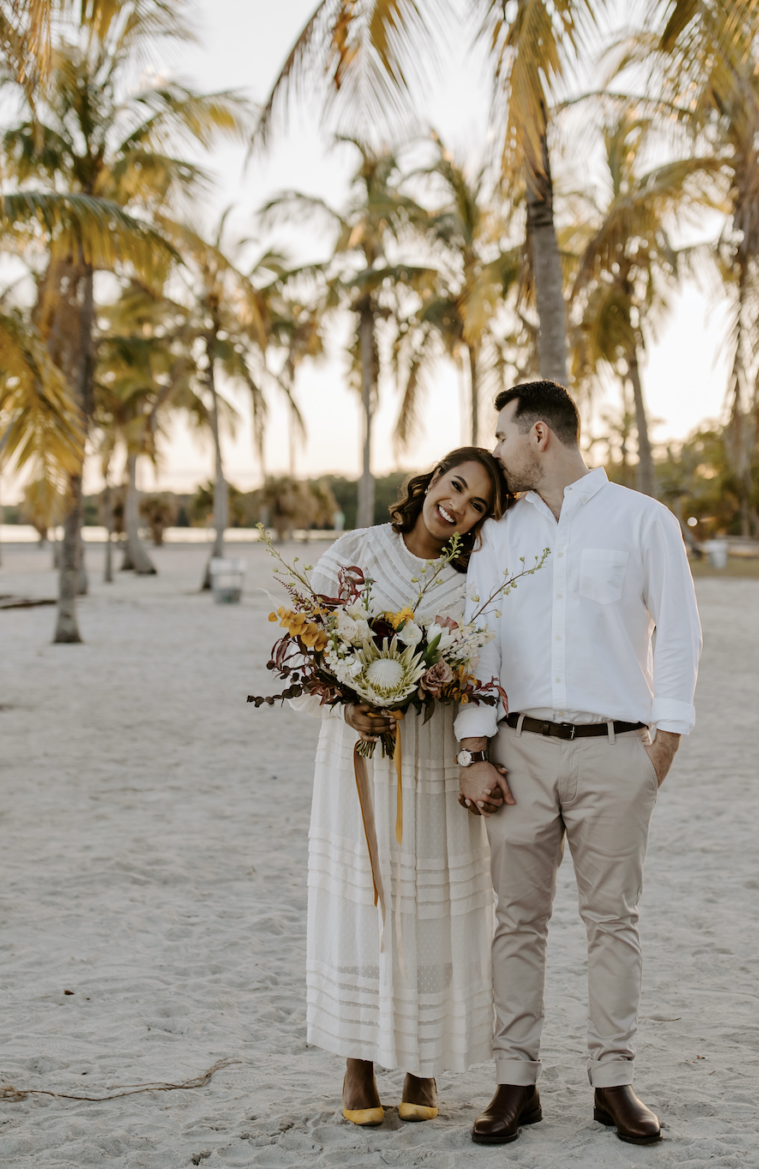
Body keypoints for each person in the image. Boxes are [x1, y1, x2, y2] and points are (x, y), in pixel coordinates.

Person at [455, 380, 702, 1146]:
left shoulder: (643, 521)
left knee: (613, 922)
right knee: (517, 922)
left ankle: (613, 1081)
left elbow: (681, 631)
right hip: (518, 750)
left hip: (615, 750)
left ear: (538, 436)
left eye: (500, 437)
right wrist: (475, 746)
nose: (494, 452)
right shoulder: (500, 535)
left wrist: (662, 742)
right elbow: (479, 640)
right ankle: (515, 1084)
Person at [303, 447, 513, 1126]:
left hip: (432, 758)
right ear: (431, 481)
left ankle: (421, 1065)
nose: (459, 505)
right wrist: (345, 702)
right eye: (456, 486)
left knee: (431, 911)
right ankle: (356, 1066)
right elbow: (310, 644)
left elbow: (482, 673)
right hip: (360, 755)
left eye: (478, 503)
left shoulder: (470, 579)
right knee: (365, 902)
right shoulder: (357, 550)